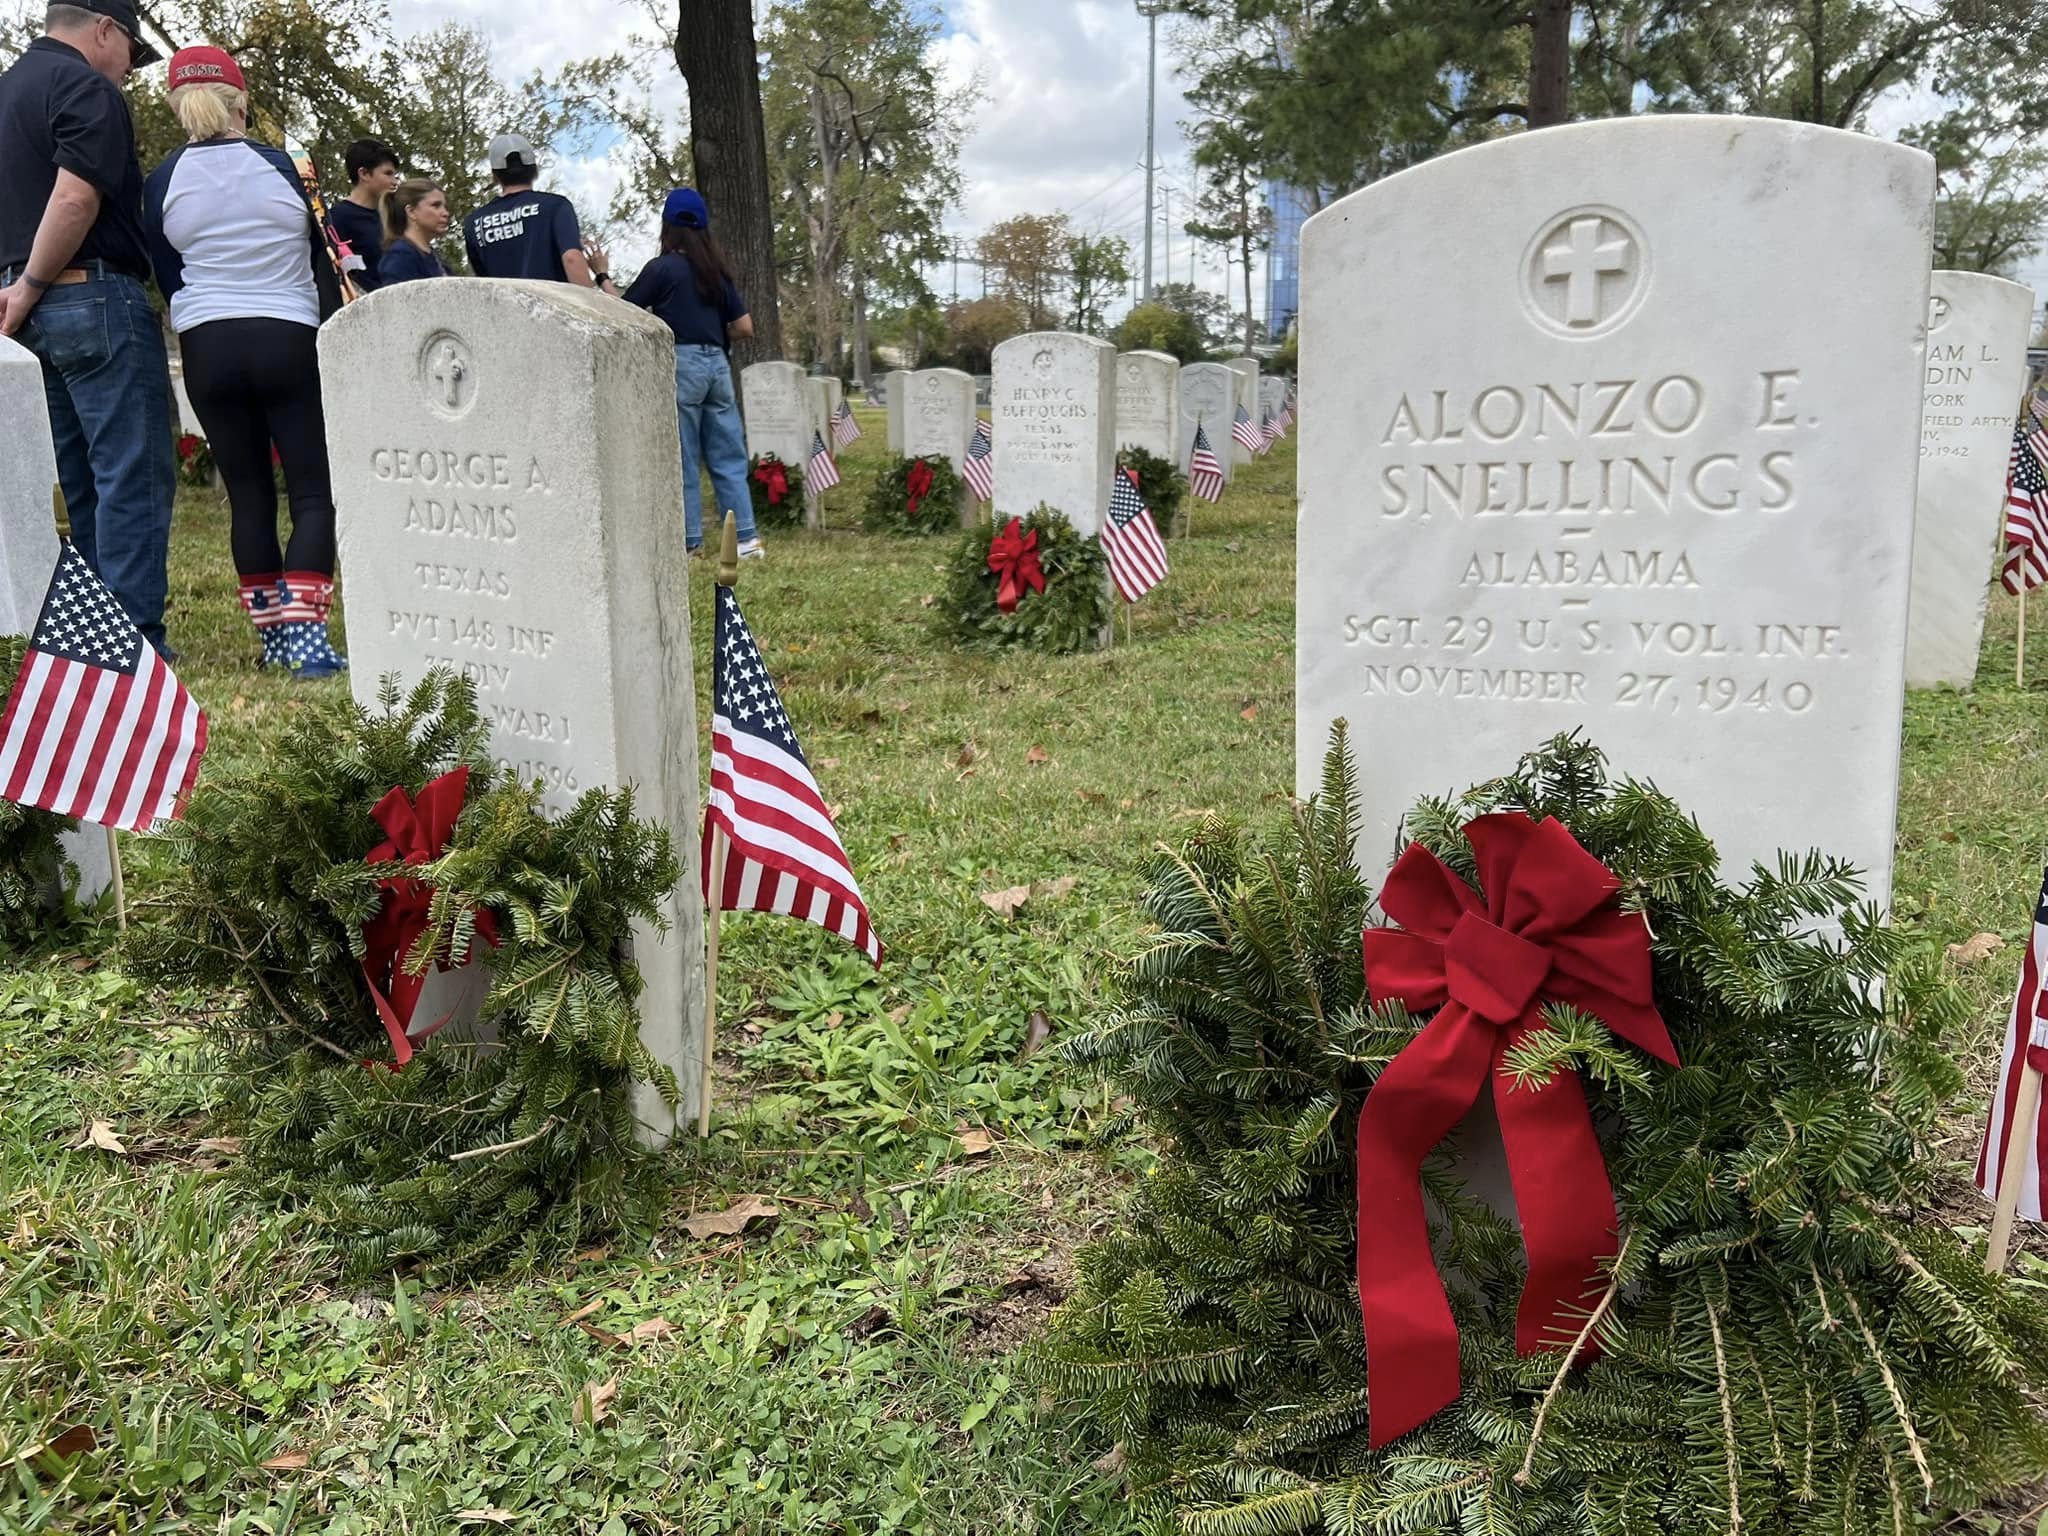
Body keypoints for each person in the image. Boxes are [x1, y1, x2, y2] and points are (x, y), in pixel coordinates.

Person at [143, 45, 346, 678]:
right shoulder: (286, 167)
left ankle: (274, 641)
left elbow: (167, 271)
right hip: (286, 332)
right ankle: (306, 640)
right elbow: (323, 256)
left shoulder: (162, 180)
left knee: (249, 492)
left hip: (208, 340)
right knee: (313, 492)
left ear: (178, 106)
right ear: (242, 99)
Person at [0, 0, 177, 656]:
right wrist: (35, 281)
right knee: (131, 473)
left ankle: (95, 638)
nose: (129, 69)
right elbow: (75, 197)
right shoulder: (85, 87)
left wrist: (15, 292)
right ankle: (134, 643)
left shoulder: (7, 93)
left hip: (22, 317)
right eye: (132, 49)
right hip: (84, 293)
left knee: (79, 481)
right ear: (104, 29)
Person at [622, 187, 761, 559]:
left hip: (680, 364)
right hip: (717, 363)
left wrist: (604, 276)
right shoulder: (716, 273)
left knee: (683, 457)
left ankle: (690, 542)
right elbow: (745, 327)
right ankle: (746, 540)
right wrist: (713, 334)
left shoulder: (661, 268)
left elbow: (622, 313)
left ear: (667, 227)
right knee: (728, 456)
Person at [462, 132, 613, 292]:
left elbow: (485, 283)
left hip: (505, 313)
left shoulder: (474, 223)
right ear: (534, 168)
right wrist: (590, 309)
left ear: (494, 175)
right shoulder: (556, 206)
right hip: (553, 312)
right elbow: (571, 259)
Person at [329, 136, 396, 293]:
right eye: (388, 174)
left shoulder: (393, 217)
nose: (394, 181)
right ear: (364, 174)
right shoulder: (337, 218)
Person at [377, 179, 449, 285]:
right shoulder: (399, 257)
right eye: (436, 205)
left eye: (444, 207)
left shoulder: (435, 257)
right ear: (411, 211)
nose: (445, 213)